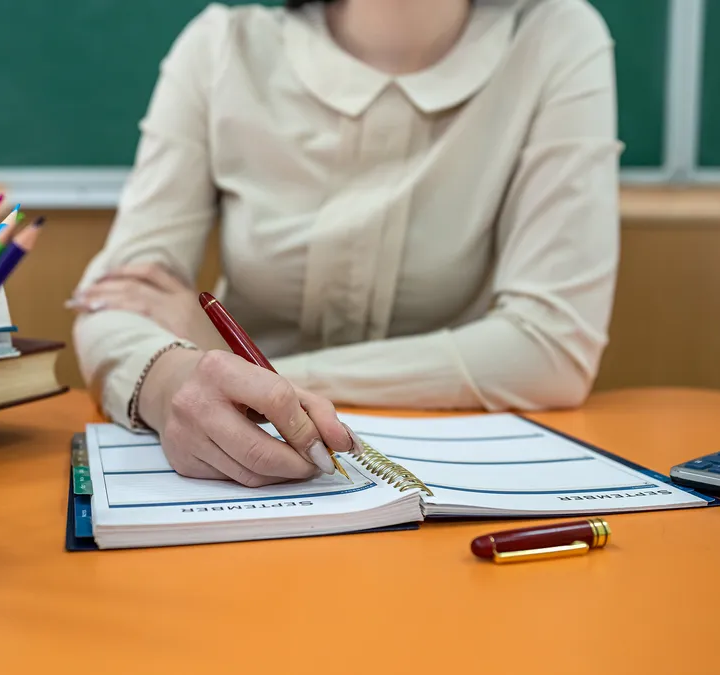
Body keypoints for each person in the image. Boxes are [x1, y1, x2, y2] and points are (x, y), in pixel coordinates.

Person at [68, 0, 622, 487]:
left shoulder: (555, 37)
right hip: (246, 483)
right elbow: (111, 305)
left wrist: (252, 377)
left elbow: (551, 349)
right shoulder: (221, 48)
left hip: (452, 477)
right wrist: (172, 381)